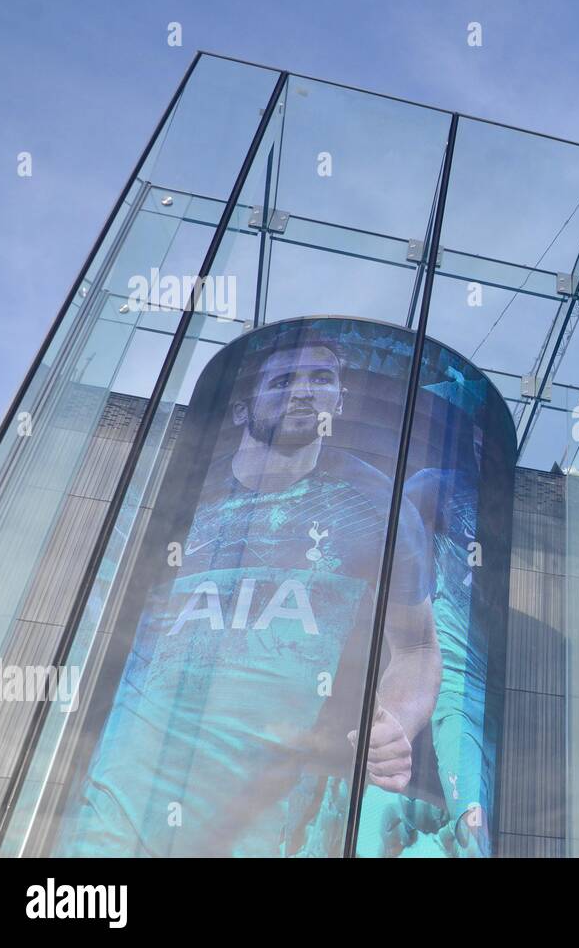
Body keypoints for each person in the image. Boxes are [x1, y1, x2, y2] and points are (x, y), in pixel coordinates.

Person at [59, 333, 440, 856]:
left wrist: (395, 723)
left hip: (271, 819)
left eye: (320, 379)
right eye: (283, 381)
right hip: (118, 805)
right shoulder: (175, 503)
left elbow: (418, 648)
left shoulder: (379, 507)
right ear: (243, 410)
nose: (302, 392)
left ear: (339, 402)